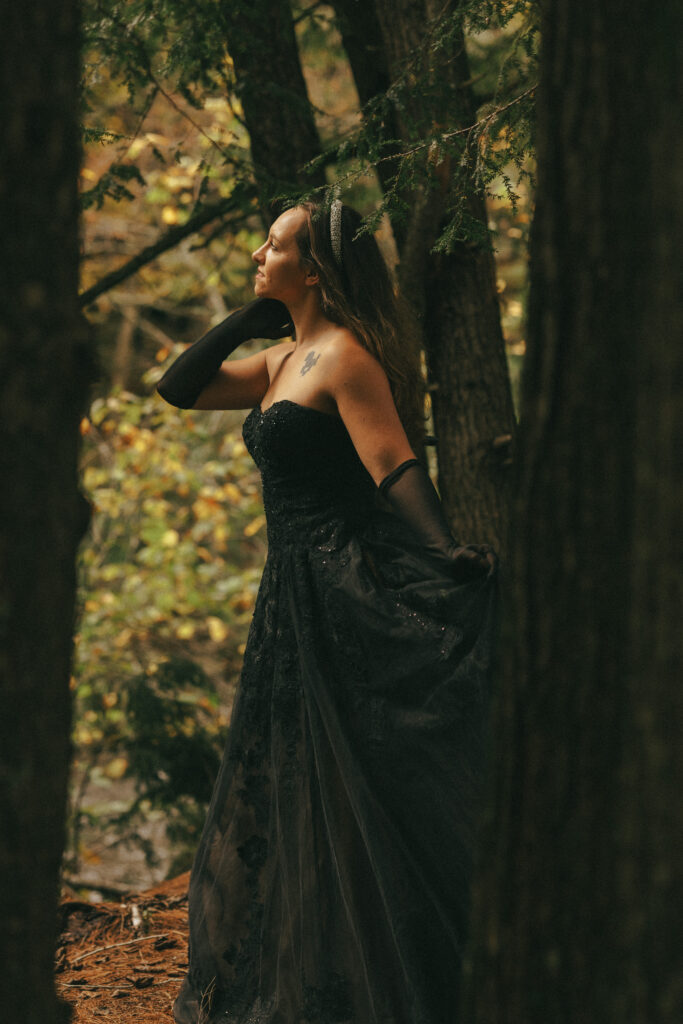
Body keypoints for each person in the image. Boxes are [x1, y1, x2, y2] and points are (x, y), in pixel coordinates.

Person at [157, 200, 498, 1024]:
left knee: (363, 779)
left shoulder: (344, 358)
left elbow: (395, 469)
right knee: (298, 780)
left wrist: (445, 554)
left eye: (273, 246)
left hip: (346, 586)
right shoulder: (282, 359)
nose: (257, 251)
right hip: (291, 594)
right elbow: (178, 387)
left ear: (313, 268)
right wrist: (246, 316)